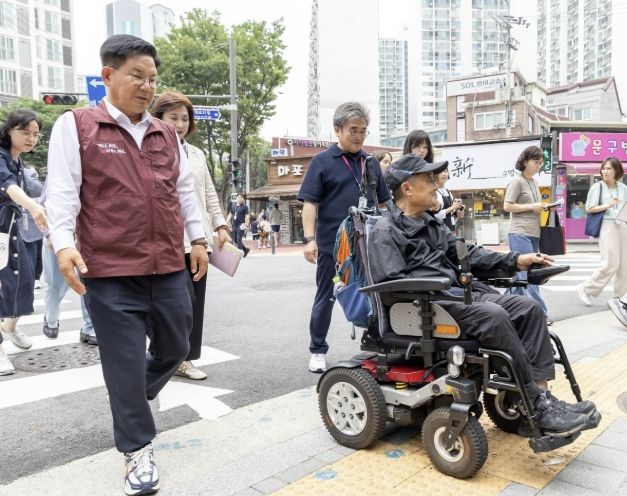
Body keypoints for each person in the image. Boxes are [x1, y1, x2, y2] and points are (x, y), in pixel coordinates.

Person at [46, 35, 208, 496]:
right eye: (137, 76)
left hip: (168, 265)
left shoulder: (165, 133)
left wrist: (198, 239)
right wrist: (63, 245)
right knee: (123, 362)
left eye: (152, 79)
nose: (146, 87)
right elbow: (62, 191)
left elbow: (182, 192)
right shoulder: (77, 125)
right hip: (110, 271)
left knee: (177, 346)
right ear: (108, 75)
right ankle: (137, 449)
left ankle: (130, 393)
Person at [368, 153, 598, 434]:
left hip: (459, 296)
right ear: (407, 188)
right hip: (426, 306)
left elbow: (468, 254)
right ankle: (536, 406)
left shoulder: (431, 223)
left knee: (529, 309)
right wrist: (438, 284)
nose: (435, 184)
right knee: (493, 315)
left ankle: (541, 403)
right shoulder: (385, 230)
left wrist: (516, 260)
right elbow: (392, 284)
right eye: (428, 179)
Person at [298, 101, 391, 373]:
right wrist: (309, 239)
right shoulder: (322, 162)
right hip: (333, 249)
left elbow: (384, 203)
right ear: (337, 130)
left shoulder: (371, 163)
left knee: (377, 296)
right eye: (353, 130)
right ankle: (317, 350)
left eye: (363, 130)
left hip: (368, 247)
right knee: (326, 297)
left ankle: (379, 344)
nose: (359, 136)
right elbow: (310, 204)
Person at [151, 90, 231, 381]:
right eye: (173, 118)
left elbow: (208, 192)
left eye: (185, 118)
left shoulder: (196, 153)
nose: (180, 124)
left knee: (194, 303)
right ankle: (165, 355)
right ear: (158, 118)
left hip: (198, 240)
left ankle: (184, 359)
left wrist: (220, 225)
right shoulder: (150, 150)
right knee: (173, 305)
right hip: (165, 240)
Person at [0, 109, 47, 376]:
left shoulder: (18, 160)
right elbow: (8, 186)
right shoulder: (0, 157)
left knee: (24, 282)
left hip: (12, 230)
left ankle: (8, 327)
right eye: (25, 132)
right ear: (9, 130)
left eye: (35, 134)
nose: (31, 138)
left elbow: (33, 189)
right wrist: (33, 207)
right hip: (2, 230)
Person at [503, 146, 550, 320]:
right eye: (536, 162)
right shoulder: (517, 181)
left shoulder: (534, 182)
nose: (539, 166)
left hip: (533, 232)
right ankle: (540, 314)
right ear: (525, 161)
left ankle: (507, 309)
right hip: (519, 232)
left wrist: (543, 207)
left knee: (521, 275)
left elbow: (533, 207)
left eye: (541, 163)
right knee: (528, 274)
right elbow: (507, 206)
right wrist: (533, 206)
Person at [576, 157, 627, 310]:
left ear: (617, 170)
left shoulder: (623, 188)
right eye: (603, 168)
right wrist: (608, 205)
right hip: (607, 225)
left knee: (624, 266)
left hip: (622, 225)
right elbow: (589, 208)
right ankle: (586, 288)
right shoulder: (597, 187)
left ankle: (619, 298)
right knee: (610, 264)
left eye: (609, 168)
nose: (605, 171)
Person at [432, 167, 464, 232]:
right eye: (441, 172)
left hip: (449, 230)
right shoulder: (433, 192)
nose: (444, 174)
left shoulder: (448, 191)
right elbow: (435, 215)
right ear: (435, 175)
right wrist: (453, 207)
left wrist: (457, 215)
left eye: (446, 171)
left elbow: (450, 217)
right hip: (439, 231)